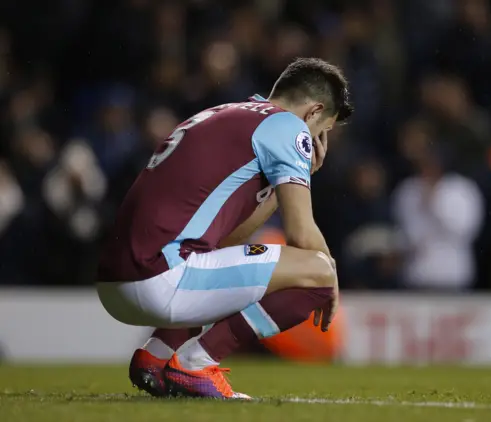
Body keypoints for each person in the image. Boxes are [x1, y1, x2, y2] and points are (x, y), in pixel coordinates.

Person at [96, 58, 352, 399]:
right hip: (159, 279)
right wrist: (329, 278)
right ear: (313, 111)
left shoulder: (225, 113)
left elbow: (224, 239)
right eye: (322, 131)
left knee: (220, 262)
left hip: (116, 282)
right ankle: (196, 363)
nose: (317, 142)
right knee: (318, 271)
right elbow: (302, 236)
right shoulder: (288, 126)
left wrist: (284, 186)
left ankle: (154, 357)